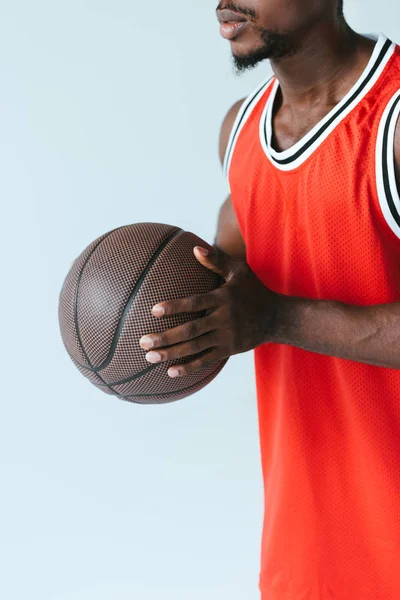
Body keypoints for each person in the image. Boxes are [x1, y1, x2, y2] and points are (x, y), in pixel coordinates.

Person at [139, 1, 400, 597]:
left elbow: (266, 314)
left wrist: (277, 317)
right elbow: (230, 286)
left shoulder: (393, 119)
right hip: (306, 550)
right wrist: (174, 325)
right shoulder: (240, 131)